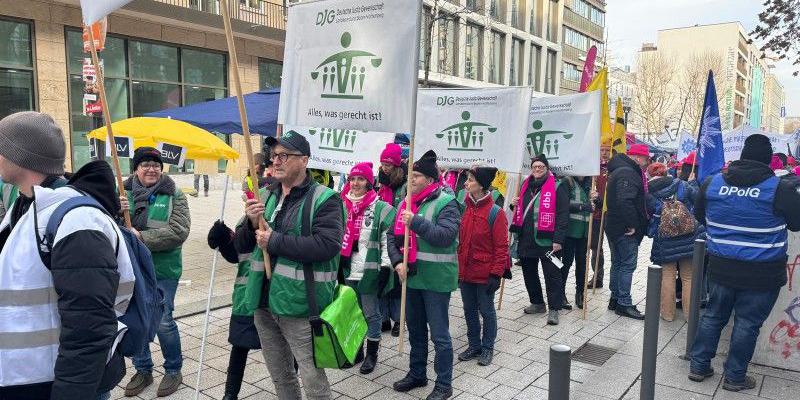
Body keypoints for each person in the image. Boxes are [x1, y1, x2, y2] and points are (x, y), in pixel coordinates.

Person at [0, 112, 134, 400]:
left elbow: (90, 329)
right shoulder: (25, 206)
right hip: (26, 378)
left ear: (20, 156)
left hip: (54, 384)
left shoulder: (77, 220)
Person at [234, 131, 344, 400]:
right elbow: (242, 245)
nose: (276, 161)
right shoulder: (264, 194)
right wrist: (249, 223)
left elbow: (326, 245)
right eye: (274, 156)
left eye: (284, 155)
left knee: (312, 379)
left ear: (304, 160)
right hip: (262, 301)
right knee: (281, 376)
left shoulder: (325, 199)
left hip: (299, 304)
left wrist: (275, 241)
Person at [689, 134, 800, 392]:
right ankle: (735, 376)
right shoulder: (779, 189)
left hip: (720, 267)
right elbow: (796, 223)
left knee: (713, 316)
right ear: (767, 160)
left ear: (742, 156)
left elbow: (700, 215)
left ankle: (698, 365)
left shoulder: (712, 183)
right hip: (761, 273)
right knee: (747, 323)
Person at [389, 150, 461, 400]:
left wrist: (416, 221)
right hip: (412, 278)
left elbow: (445, 237)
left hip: (436, 281)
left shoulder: (447, 203)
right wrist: (397, 261)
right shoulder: (404, 203)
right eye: (410, 175)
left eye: (416, 175)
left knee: (439, 335)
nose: (411, 179)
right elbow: (391, 237)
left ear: (430, 180)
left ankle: (444, 384)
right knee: (416, 330)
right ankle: (417, 373)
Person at [122, 147, 191, 398]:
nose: (152, 169)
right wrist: (114, 211)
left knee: (163, 321)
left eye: (156, 164)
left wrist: (141, 237)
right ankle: (143, 369)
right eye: (145, 164)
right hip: (131, 269)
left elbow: (179, 231)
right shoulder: (121, 193)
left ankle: (173, 370)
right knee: (136, 319)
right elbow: (108, 227)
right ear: (135, 169)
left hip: (163, 269)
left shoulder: (175, 194)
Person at [339, 162, 396, 374]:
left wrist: (385, 266)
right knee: (354, 312)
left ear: (369, 182)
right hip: (346, 269)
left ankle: (372, 354)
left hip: (369, 270)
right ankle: (358, 350)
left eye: (361, 179)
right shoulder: (341, 205)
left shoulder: (380, 208)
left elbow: (385, 240)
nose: (355, 183)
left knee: (371, 314)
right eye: (353, 179)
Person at [456, 166, 509, 366]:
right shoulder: (464, 207)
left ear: (481, 185)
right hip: (465, 271)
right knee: (469, 310)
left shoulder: (496, 213)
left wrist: (496, 274)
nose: (465, 183)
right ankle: (474, 345)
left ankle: (487, 348)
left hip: (485, 273)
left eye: (470, 180)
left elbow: (501, 246)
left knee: (486, 311)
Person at [510, 154, 569, 325]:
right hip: (527, 238)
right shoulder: (525, 185)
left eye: (541, 167)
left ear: (547, 169)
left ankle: (554, 309)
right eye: (534, 167)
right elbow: (521, 209)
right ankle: (537, 302)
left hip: (548, 240)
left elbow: (563, 215)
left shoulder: (558, 186)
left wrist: (558, 239)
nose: (537, 170)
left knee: (552, 274)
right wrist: (514, 204)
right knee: (529, 272)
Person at [207, 220, 262, 400]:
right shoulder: (245, 218)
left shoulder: (278, 207)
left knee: (284, 348)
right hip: (245, 296)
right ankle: (230, 393)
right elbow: (236, 253)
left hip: (277, 295)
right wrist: (223, 239)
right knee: (240, 344)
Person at [645, 162, 702, 322]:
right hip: (688, 236)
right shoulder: (682, 185)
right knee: (688, 277)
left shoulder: (649, 192)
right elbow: (698, 199)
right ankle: (690, 316)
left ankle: (668, 314)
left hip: (665, 239)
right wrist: (692, 183)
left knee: (667, 276)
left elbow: (650, 215)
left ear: (649, 175)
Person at [605, 143, 650, 320]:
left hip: (614, 226)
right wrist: (633, 224)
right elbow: (626, 201)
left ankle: (615, 298)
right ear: (638, 157)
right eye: (645, 159)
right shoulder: (628, 173)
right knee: (627, 265)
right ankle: (624, 302)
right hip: (624, 229)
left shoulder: (619, 170)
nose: (646, 162)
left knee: (617, 263)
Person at [376, 142, 406, 335]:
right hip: (381, 233)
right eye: (383, 164)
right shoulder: (380, 181)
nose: (385, 168)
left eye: (388, 164)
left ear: (396, 165)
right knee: (382, 275)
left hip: (398, 234)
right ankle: (384, 317)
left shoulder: (403, 184)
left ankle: (398, 319)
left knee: (396, 280)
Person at [560, 175, 593, 310]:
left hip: (584, 231)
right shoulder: (567, 181)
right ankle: (560, 294)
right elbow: (563, 203)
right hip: (569, 230)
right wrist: (582, 206)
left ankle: (580, 293)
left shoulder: (591, 182)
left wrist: (597, 200)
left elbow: (597, 205)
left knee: (582, 264)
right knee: (566, 262)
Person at [588, 141, 611, 289]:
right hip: (596, 214)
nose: (604, 152)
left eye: (606, 150)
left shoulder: (614, 169)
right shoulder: (593, 169)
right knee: (596, 248)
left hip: (610, 213)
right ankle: (597, 277)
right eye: (601, 149)